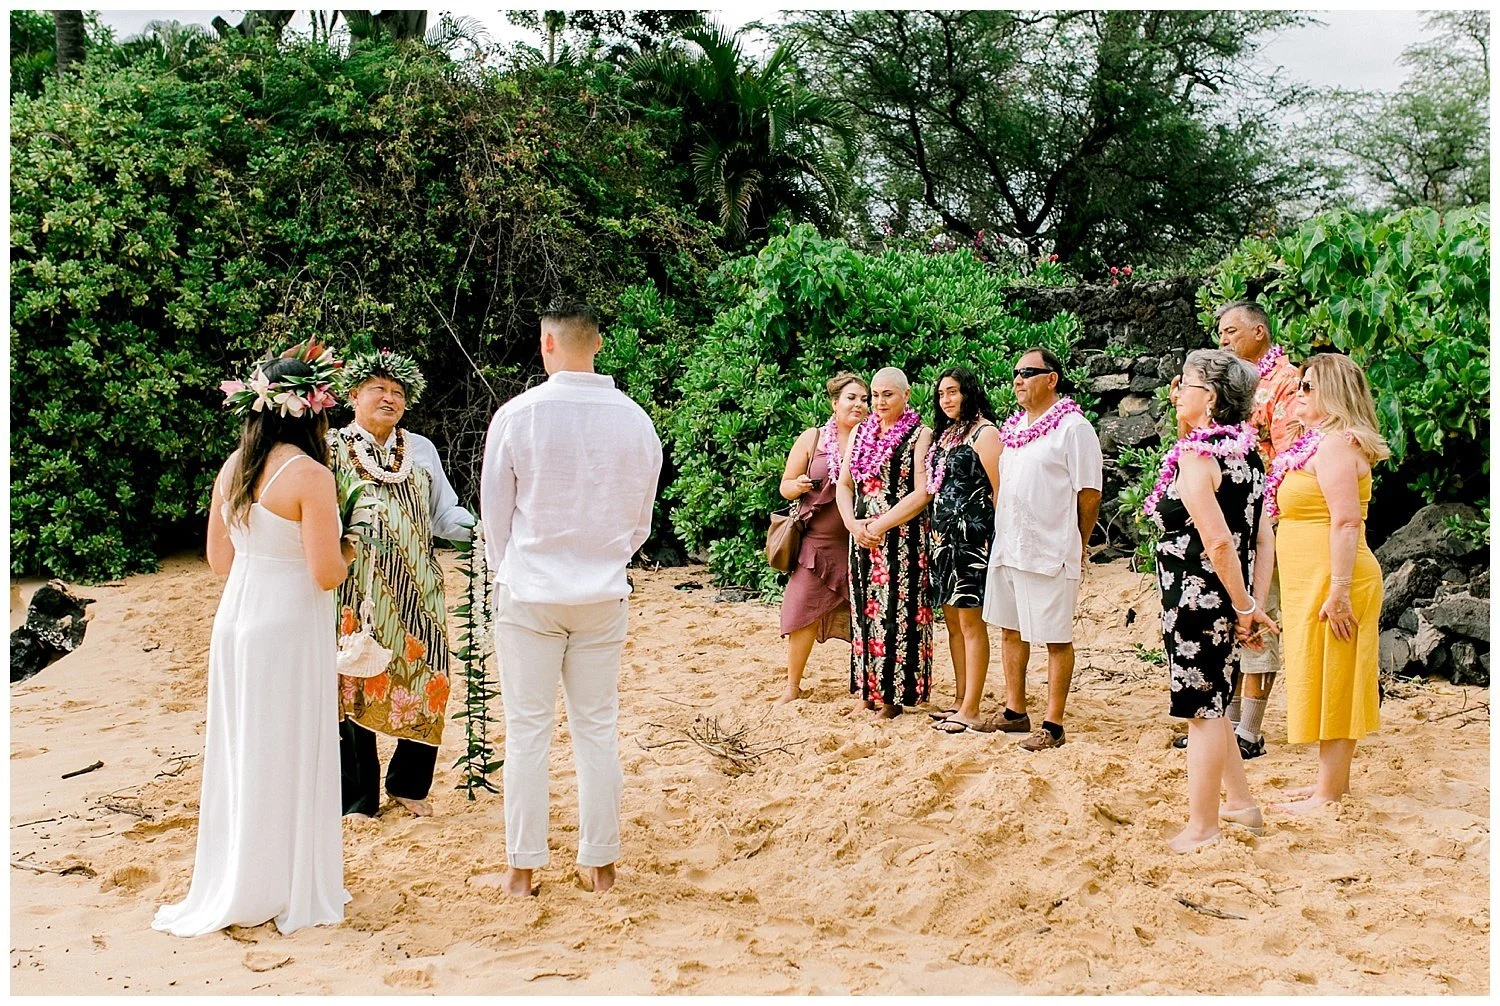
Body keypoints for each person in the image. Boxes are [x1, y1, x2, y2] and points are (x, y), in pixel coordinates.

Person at [155, 343, 353, 937]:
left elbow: (219, 560)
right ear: (313, 412)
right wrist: (352, 545)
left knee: (245, 749)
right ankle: (283, 881)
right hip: (287, 626)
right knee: (287, 747)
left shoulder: (233, 468)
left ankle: (242, 874)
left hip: (238, 620)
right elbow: (325, 573)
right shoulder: (312, 477)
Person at [480, 300, 662, 897]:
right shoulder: (635, 419)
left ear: (547, 343)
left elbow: (495, 514)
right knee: (596, 728)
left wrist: (510, 570)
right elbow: (640, 521)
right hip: (602, 591)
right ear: (599, 344)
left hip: (530, 590)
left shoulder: (519, 414)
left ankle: (522, 869)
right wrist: (607, 559)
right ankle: (600, 865)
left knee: (527, 732)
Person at [330, 349, 474, 818]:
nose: (389, 398)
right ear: (354, 395)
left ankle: (409, 787)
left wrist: (485, 530)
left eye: (397, 392)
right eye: (379, 389)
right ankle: (357, 799)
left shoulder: (421, 450)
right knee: (352, 684)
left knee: (430, 677)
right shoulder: (331, 448)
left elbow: (444, 514)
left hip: (419, 590)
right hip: (354, 590)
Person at [1147, 350, 1278, 853]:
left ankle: (1203, 827)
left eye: (1186, 383)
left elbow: (1220, 541)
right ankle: (1241, 804)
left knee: (1201, 712)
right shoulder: (1248, 455)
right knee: (1216, 703)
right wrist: (1252, 605)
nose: (1176, 390)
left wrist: (1246, 608)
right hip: (1227, 598)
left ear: (1212, 398)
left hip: (1197, 601)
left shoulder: (1199, 457)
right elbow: (1262, 539)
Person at [1262, 353, 1388, 813]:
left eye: (1309, 386)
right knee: (1320, 673)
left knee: (1337, 677)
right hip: (1311, 579)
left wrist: (1338, 590)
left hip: (1335, 579)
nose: (1298, 392)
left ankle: (1330, 791)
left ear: (1333, 394)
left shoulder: (1336, 446)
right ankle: (1326, 783)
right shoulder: (1316, 444)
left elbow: (1347, 521)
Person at [982, 347, 1102, 751]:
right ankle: (1015, 711)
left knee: (1055, 637)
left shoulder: (1074, 428)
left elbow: (1090, 492)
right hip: (1009, 545)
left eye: (1028, 372)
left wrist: (1079, 540)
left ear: (1052, 379)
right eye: (1015, 372)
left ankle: (1054, 723)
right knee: (1010, 629)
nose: (1018, 379)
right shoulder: (1015, 427)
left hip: (1050, 548)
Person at [1207, 299, 1304, 759]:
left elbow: (1288, 456)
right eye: (1220, 334)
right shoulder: (1229, 381)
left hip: (1265, 517)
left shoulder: (1286, 382)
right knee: (1229, 616)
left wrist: (1266, 520)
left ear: (1259, 332)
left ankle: (1248, 731)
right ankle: (1226, 726)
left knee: (1259, 613)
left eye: (1231, 331)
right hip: (1227, 515)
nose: (1223, 340)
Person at [837, 366, 934, 720]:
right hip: (862, 537)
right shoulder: (861, 432)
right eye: (874, 395)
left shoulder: (920, 434)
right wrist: (852, 524)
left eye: (887, 394)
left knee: (896, 614)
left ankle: (892, 699)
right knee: (863, 613)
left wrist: (881, 524)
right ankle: (866, 693)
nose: (879, 402)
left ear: (906, 395)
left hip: (902, 538)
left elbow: (923, 492)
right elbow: (844, 484)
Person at [776, 373, 869, 703]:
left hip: (860, 542)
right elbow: (785, 486)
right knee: (800, 609)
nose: (859, 404)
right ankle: (792, 686)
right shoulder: (812, 438)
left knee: (866, 619)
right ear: (834, 403)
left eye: (864, 399)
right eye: (851, 398)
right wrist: (797, 485)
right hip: (817, 544)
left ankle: (868, 686)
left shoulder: (875, 440)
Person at [926, 367, 1002, 734]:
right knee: (953, 624)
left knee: (971, 623)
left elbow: (999, 490)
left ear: (969, 392)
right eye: (941, 393)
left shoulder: (986, 433)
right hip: (942, 541)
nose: (946, 399)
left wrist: (998, 540)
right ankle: (960, 700)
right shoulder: (946, 434)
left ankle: (971, 708)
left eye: (953, 391)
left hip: (972, 540)